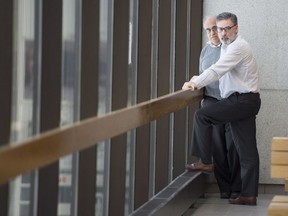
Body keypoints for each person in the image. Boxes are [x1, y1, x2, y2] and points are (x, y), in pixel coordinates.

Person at [182, 12, 261, 206]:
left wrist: (195, 83)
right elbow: (216, 67)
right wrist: (196, 79)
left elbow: (217, 70)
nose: (223, 33)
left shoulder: (238, 47)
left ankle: (206, 160)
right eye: (220, 29)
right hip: (243, 101)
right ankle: (249, 195)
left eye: (227, 28)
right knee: (247, 151)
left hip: (242, 101)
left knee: (202, 115)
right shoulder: (226, 46)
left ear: (236, 28)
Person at [185, 15, 241, 200]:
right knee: (218, 148)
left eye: (214, 28)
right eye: (207, 30)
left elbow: (218, 72)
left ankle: (237, 189)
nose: (211, 33)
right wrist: (194, 81)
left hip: (229, 102)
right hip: (211, 101)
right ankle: (225, 189)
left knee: (232, 146)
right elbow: (204, 75)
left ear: (221, 29)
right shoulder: (205, 51)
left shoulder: (228, 49)